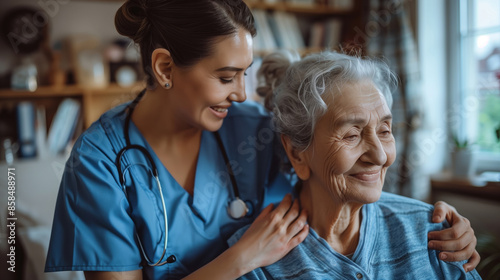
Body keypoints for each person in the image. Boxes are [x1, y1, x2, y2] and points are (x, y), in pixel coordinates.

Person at [45, 1, 479, 279]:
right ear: (164, 68)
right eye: (225, 77)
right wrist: (241, 259)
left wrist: (432, 220)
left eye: (245, 74)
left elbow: (343, 172)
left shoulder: (253, 127)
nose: (240, 93)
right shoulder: (99, 163)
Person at [229, 50, 482, 279]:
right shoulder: (256, 262)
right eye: (352, 135)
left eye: (385, 131)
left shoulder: (435, 233)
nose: (381, 157)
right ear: (297, 153)